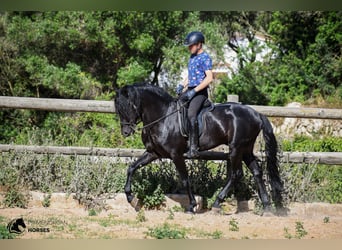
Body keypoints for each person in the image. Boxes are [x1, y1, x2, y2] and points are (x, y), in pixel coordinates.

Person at [176, 31, 213, 158]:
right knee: (177, 106)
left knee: (192, 115)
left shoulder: (205, 58)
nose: (189, 48)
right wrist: (182, 84)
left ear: (199, 45)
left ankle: (194, 147)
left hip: (200, 93)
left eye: (191, 45)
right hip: (190, 90)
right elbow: (191, 76)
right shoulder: (192, 58)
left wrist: (194, 91)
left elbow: (209, 78)